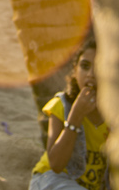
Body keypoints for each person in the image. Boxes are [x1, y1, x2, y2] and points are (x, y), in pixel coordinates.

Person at [30, 40, 109, 189]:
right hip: (53, 180)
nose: (91, 74)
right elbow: (56, 165)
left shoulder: (116, 114)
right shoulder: (62, 105)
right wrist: (76, 116)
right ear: (75, 69)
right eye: (85, 66)